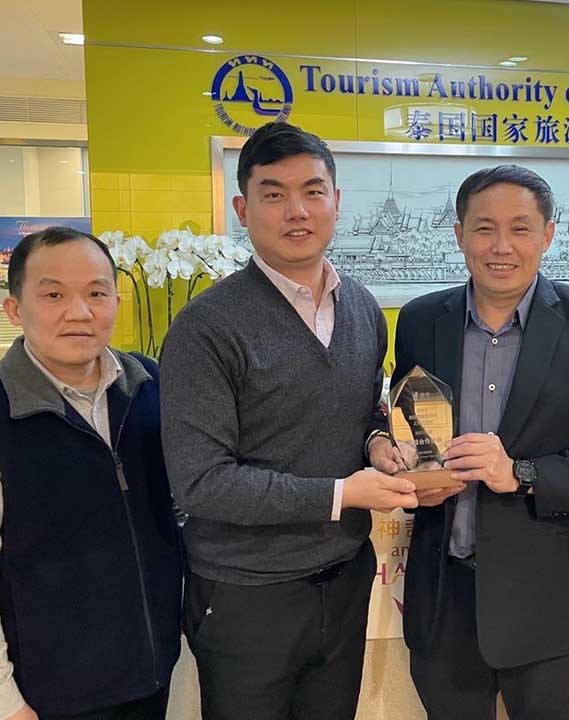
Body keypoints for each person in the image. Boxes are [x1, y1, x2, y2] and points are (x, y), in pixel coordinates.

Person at [370, 164, 569, 720]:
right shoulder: (421, 320)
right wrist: (399, 460)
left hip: (547, 602)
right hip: (443, 597)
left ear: (547, 234)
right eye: (484, 228)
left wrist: (522, 474)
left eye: (520, 228)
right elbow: (411, 426)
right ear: (459, 234)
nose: (501, 246)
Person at [159, 121, 418, 720]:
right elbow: (201, 482)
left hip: (344, 579)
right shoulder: (206, 328)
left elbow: (364, 408)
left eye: (312, 191)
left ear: (336, 201)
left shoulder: (362, 307)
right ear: (243, 210)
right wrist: (343, 494)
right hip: (246, 593)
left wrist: (377, 441)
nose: (297, 211)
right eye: (273, 194)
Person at [0, 227, 183, 720]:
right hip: (51, 694)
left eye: (96, 293)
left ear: (116, 301)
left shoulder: (149, 387)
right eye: (54, 295)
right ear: (14, 309)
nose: (79, 312)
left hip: (151, 674)